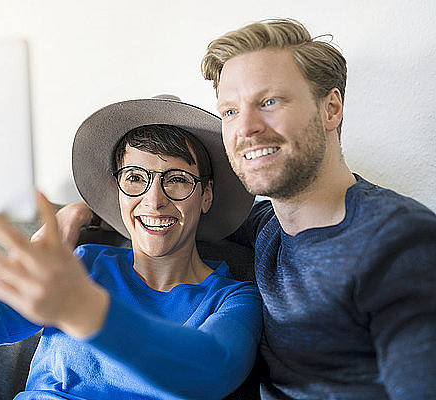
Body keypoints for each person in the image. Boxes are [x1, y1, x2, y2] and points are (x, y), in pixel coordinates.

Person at [50, 19, 436, 399]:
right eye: (231, 111)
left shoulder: (400, 243)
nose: (245, 128)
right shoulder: (266, 226)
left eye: (269, 102)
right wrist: (83, 212)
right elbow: (170, 210)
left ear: (330, 109)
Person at [0, 97, 262, 399]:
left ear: (206, 196)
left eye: (177, 180)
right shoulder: (82, 265)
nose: (153, 200)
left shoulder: (232, 298)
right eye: (135, 177)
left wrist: (86, 312)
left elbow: (208, 372)